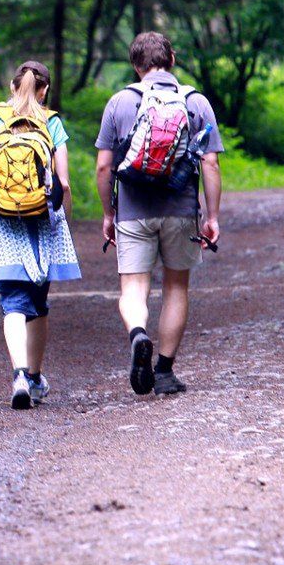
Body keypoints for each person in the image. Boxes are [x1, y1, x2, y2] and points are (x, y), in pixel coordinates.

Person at [94, 32, 223, 396]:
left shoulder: (120, 102)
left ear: (136, 65)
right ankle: (164, 371)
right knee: (176, 287)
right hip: (180, 210)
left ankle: (138, 334)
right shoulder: (196, 102)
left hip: (133, 211)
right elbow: (210, 163)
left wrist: (108, 214)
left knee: (134, 288)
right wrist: (211, 216)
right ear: (173, 58)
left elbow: (105, 167)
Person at [0, 60, 81, 410]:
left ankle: (18, 373)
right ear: (44, 90)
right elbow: (62, 183)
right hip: (43, 224)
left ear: (12, 86)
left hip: (3, 222)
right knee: (38, 302)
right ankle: (34, 377)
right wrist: (65, 220)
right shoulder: (52, 122)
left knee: (13, 302)